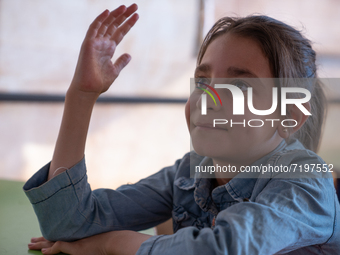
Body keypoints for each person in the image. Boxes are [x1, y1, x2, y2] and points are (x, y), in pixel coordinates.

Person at [23, 3, 340, 255]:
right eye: (202, 81)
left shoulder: (305, 183)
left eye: (241, 85)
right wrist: (81, 96)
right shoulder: (189, 173)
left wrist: (112, 243)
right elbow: (68, 223)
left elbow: (222, 249)